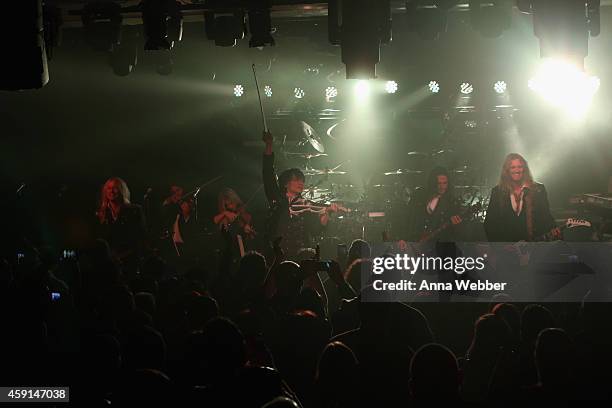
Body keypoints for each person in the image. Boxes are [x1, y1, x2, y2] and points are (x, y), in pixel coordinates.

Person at [262, 130, 338, 259]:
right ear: (286, 183)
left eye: (302, 181)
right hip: (278, 254)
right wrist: (269, 145)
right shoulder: (276, 198)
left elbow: (315, 231)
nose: (301, 183)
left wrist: (325, 216)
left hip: (301, 255)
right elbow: (268, 173)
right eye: (296, 179)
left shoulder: (306, 205)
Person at [484, 153, 558, 242]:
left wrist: (553, 228)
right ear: (507, 170)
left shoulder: (538, 190)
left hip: (533, 247)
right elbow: (490, 223)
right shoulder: (497, 192)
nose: (517, 170)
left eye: (520, 167)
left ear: (524, 169)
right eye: (513, 167)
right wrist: (500, 246)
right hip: (506, 247)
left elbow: (546, 216)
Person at [95, 177, 146, 269]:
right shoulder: (101, 213)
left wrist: (122, 255)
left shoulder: (134, 210)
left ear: (122, 190)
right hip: (107, 263)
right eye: (109, 188)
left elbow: (140, 236)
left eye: (115, 188)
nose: (111, 191)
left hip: (130, 260)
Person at [405, 166, 463, 242]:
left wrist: (456, 224)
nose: (442, 187)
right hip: (415, 241)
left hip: (437, 245)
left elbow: (455, 232)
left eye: (445, 183)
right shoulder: (419, 196)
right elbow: (408, 218)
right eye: (438, 183)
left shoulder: (452, 202)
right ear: (432, 183)